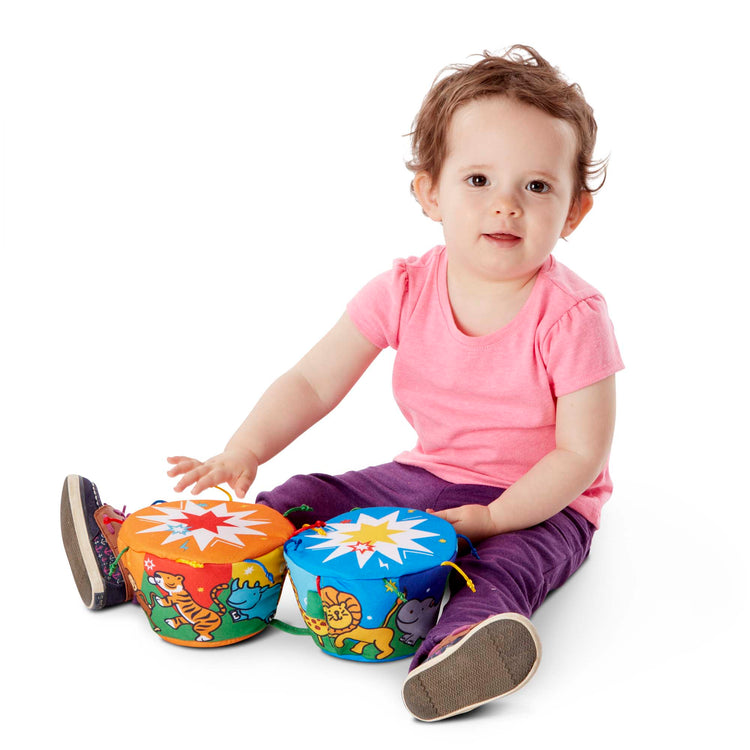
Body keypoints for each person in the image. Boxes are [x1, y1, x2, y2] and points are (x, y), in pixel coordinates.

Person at [62, 45, 623, 722]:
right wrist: (245, 449)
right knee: (304, 499)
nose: (505, 205)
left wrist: (496, 518)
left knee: (507, 567)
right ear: (429, 192)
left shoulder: (572, 316)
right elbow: (312, 382)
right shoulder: (405, 289)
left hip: (542, 501)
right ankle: (140, 559)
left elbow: (579, 454)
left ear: (574, 212)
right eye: (478, 180)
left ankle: (461, 649)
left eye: (536, 187)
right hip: (427, 475)